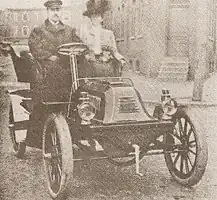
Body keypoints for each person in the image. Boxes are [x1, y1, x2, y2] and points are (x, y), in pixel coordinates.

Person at [28, 0, 83, 102]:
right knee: (58, 71)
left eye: (57, 10)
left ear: (61, 11)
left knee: (85, 69)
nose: (55, 13)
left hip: (68, 64)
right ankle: (59, 104)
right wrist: (49, 56)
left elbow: (79, 45)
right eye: (52, 10)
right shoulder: (39, 30)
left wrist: (79, 54)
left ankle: (82, 102)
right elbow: (34, 48)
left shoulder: (69, 30)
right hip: (47, 65)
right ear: (47, 12)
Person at [81, 0, 126, 77]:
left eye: (97, 16)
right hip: (91, 67)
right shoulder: (86, 35)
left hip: (107, 66)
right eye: (93, 16)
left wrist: (121, 59)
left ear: (102, 18)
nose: (95, 18)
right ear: (90, 18)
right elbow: (83, 52)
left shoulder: (109, 34)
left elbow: (114, 51)